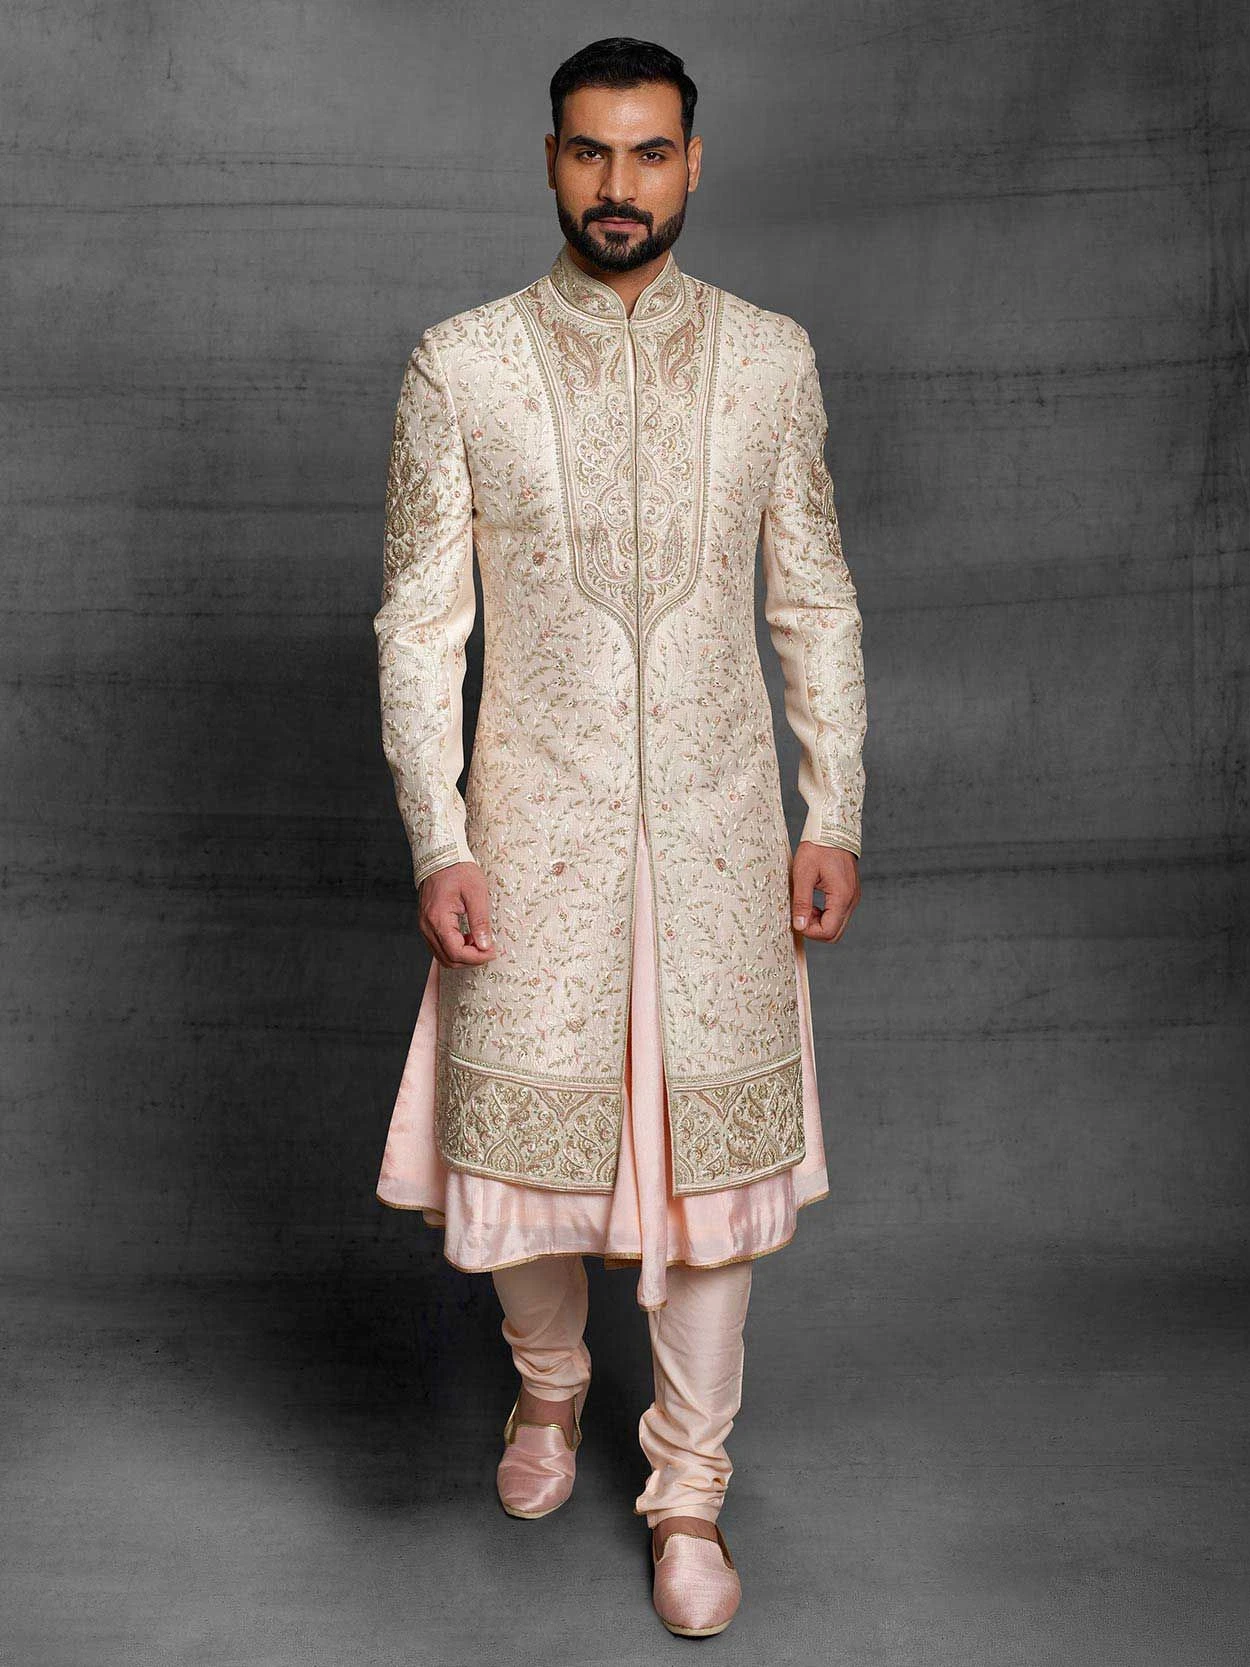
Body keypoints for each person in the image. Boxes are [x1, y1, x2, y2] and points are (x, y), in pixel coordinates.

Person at [372, 36, 866, 1638]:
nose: (618, 185)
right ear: (548, 160)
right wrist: (438, 836)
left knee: (714, 1174)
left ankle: (687, 1490)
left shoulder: (771, 358)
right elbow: (417, 629)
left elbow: (811, 596)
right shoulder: (462, 364)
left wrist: (833, 805)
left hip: (719, 834)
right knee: (520, 1152)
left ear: (692, 164)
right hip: (533, 833)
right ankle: (548, 1383)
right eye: (589, 151)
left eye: (649, 153)